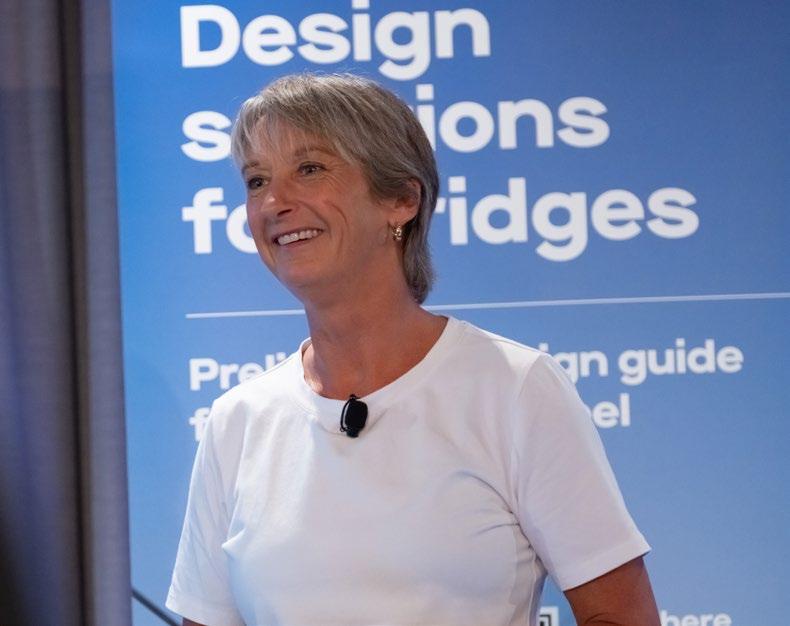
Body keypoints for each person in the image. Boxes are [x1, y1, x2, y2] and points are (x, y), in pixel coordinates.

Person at [166, 72, 659, 626]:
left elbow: (622, 617)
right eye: (257, 181)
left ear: (401, 199)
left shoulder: (515, 387)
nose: (274, 202)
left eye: (310, 169)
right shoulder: (237, 420)